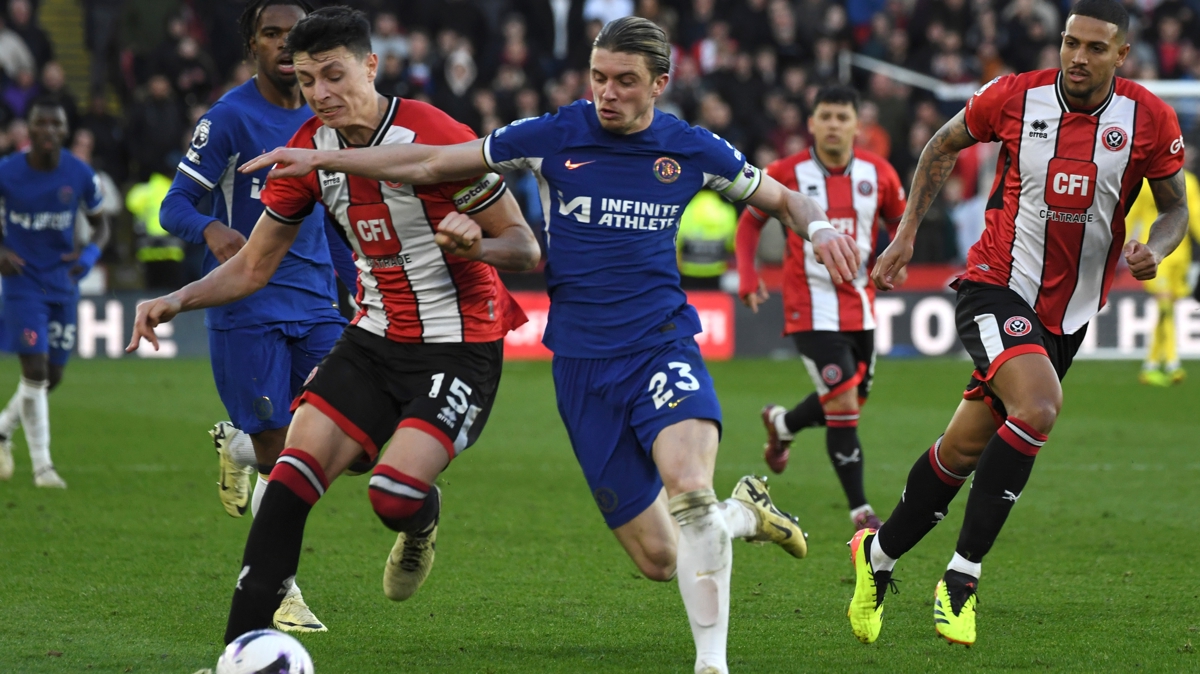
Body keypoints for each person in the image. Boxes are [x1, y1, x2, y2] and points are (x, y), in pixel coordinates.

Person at [240, 16, 860, 674]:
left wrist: (821, 229)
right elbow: (430, 162)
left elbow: (786, 201)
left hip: (661, 345)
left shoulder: (693, 148)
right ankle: (745, 514)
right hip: (582, 367)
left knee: (689, 489)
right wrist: (323, 157)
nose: (608, 93)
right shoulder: (553, 134)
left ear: (660, 83)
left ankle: (712, 664)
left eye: (625, 81)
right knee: (661, 558)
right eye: (598, 77)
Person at [127, 7, 540, 644]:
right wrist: (176, 300)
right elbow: (254, 264)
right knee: (290, 478)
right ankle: (238, 652)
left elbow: (524, 247)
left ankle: (420, 518)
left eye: (333, 75)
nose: (320, 92)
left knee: (391, 496)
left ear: (371, 66)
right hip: (372, 339)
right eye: (307, 79)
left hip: (458, 346)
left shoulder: (435, 132)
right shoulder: (308, 150)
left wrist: (476, 246)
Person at [848, 0, 1190, 647]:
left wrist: (1158, 246)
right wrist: (906, 235)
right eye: (1070, 43)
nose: (1078, 58)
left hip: (1070, 316)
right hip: (995, 287)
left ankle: (878, 554)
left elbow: (1175, 207)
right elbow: (941, 145)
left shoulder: (1149, 118)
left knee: (962, 451)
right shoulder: (1013, 96)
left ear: (1122, 55)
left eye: (1095, 48)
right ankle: (961, 580)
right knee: (1038, 407)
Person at [157, 0, 358, 634]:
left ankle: (235, 444)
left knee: (353, 443)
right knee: (282, 449)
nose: (283, 45)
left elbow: (333, 218)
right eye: (271, 34)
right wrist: (211, 228)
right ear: (253, 44)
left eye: (293, 36)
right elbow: (174, 204)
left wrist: (358, 285)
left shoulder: (327, 118)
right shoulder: (229, 118)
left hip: (317, 302)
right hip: (246, 306)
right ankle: (280, 590)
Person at [736, 85, 906, 532]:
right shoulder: (786, 172)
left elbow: (899, 220)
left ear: (857, 125)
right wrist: (748, 275)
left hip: (861, 305)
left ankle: (783, 424)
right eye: (825, 116)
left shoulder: (880, 173)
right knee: (844, 403)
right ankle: (860, 511)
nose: (833, 125)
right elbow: (750, 221)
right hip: (808, 307)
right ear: (811, 123)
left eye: (841, 117)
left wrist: (898, 256)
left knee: (850, 399)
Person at [0, 98, 110, 487]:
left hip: (62, 282)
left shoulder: (79, 174)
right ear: (28, 130)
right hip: (22, 283)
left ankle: (2, 429)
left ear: (65, 131)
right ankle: (43, 467)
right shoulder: (7, 171)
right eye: (41, 123)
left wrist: (90, 255)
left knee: (53, 376)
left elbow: (101, 225)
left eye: (55, 124)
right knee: (34, 370)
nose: (48, 130)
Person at [1125, 145, 1200, 386]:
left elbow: (1195, 217)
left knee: (1166, 309)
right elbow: (1132, 214)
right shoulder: (1146, 183)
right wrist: (1122, 244)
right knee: (1165, 304)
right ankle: (1172, 363)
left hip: (1181, 255)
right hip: (1155, 252)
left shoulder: (1189, 181)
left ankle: (1150, 364)